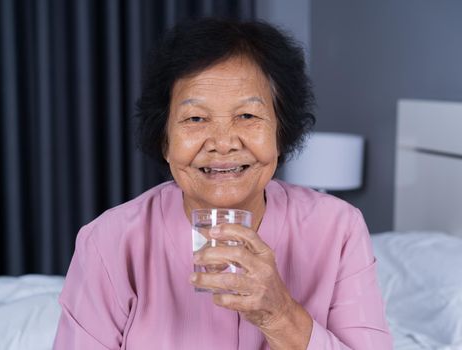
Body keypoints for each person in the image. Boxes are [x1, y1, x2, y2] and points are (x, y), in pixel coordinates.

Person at [53, 18, 392, 349]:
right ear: (165, 139)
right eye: (196, 118)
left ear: (280, 131)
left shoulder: (338, 228)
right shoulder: (109, 240)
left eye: (247, 116)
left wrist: (280, 315)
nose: (223, 142)